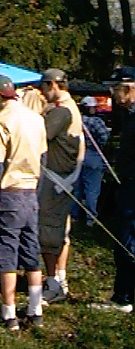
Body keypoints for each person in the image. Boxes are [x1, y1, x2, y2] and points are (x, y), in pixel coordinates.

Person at [0, 75, 48, 331]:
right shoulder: (36, 119)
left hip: (8, 193)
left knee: (5, 252)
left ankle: (8, 313)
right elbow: (42, 158)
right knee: (31, 251)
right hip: (31, 192)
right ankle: (35, 309)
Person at [90, 66, 135, 313]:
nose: (114, 95)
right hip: (126, 182)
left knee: (127, 241)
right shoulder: (129, 115)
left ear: (129, 88)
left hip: (132, 185)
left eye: (116, 89)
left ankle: (124, 297)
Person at [38, 68, 85, 304]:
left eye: (43, 87)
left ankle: (52, 283)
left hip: (56, 180)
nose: (42, 92)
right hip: (65, 180)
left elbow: (40, 136)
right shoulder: (70, 108)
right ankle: (59, 278)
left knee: (48, 232)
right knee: (60, 231)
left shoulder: (61, 111)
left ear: (53, 85)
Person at [71, 96, 111, 227]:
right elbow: (104, 138)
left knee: (77, 188)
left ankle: (74, 215)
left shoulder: (76, 120)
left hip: (78, 155)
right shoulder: (96, 122)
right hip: (93, 154)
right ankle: (91, 218)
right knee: (92, 189)